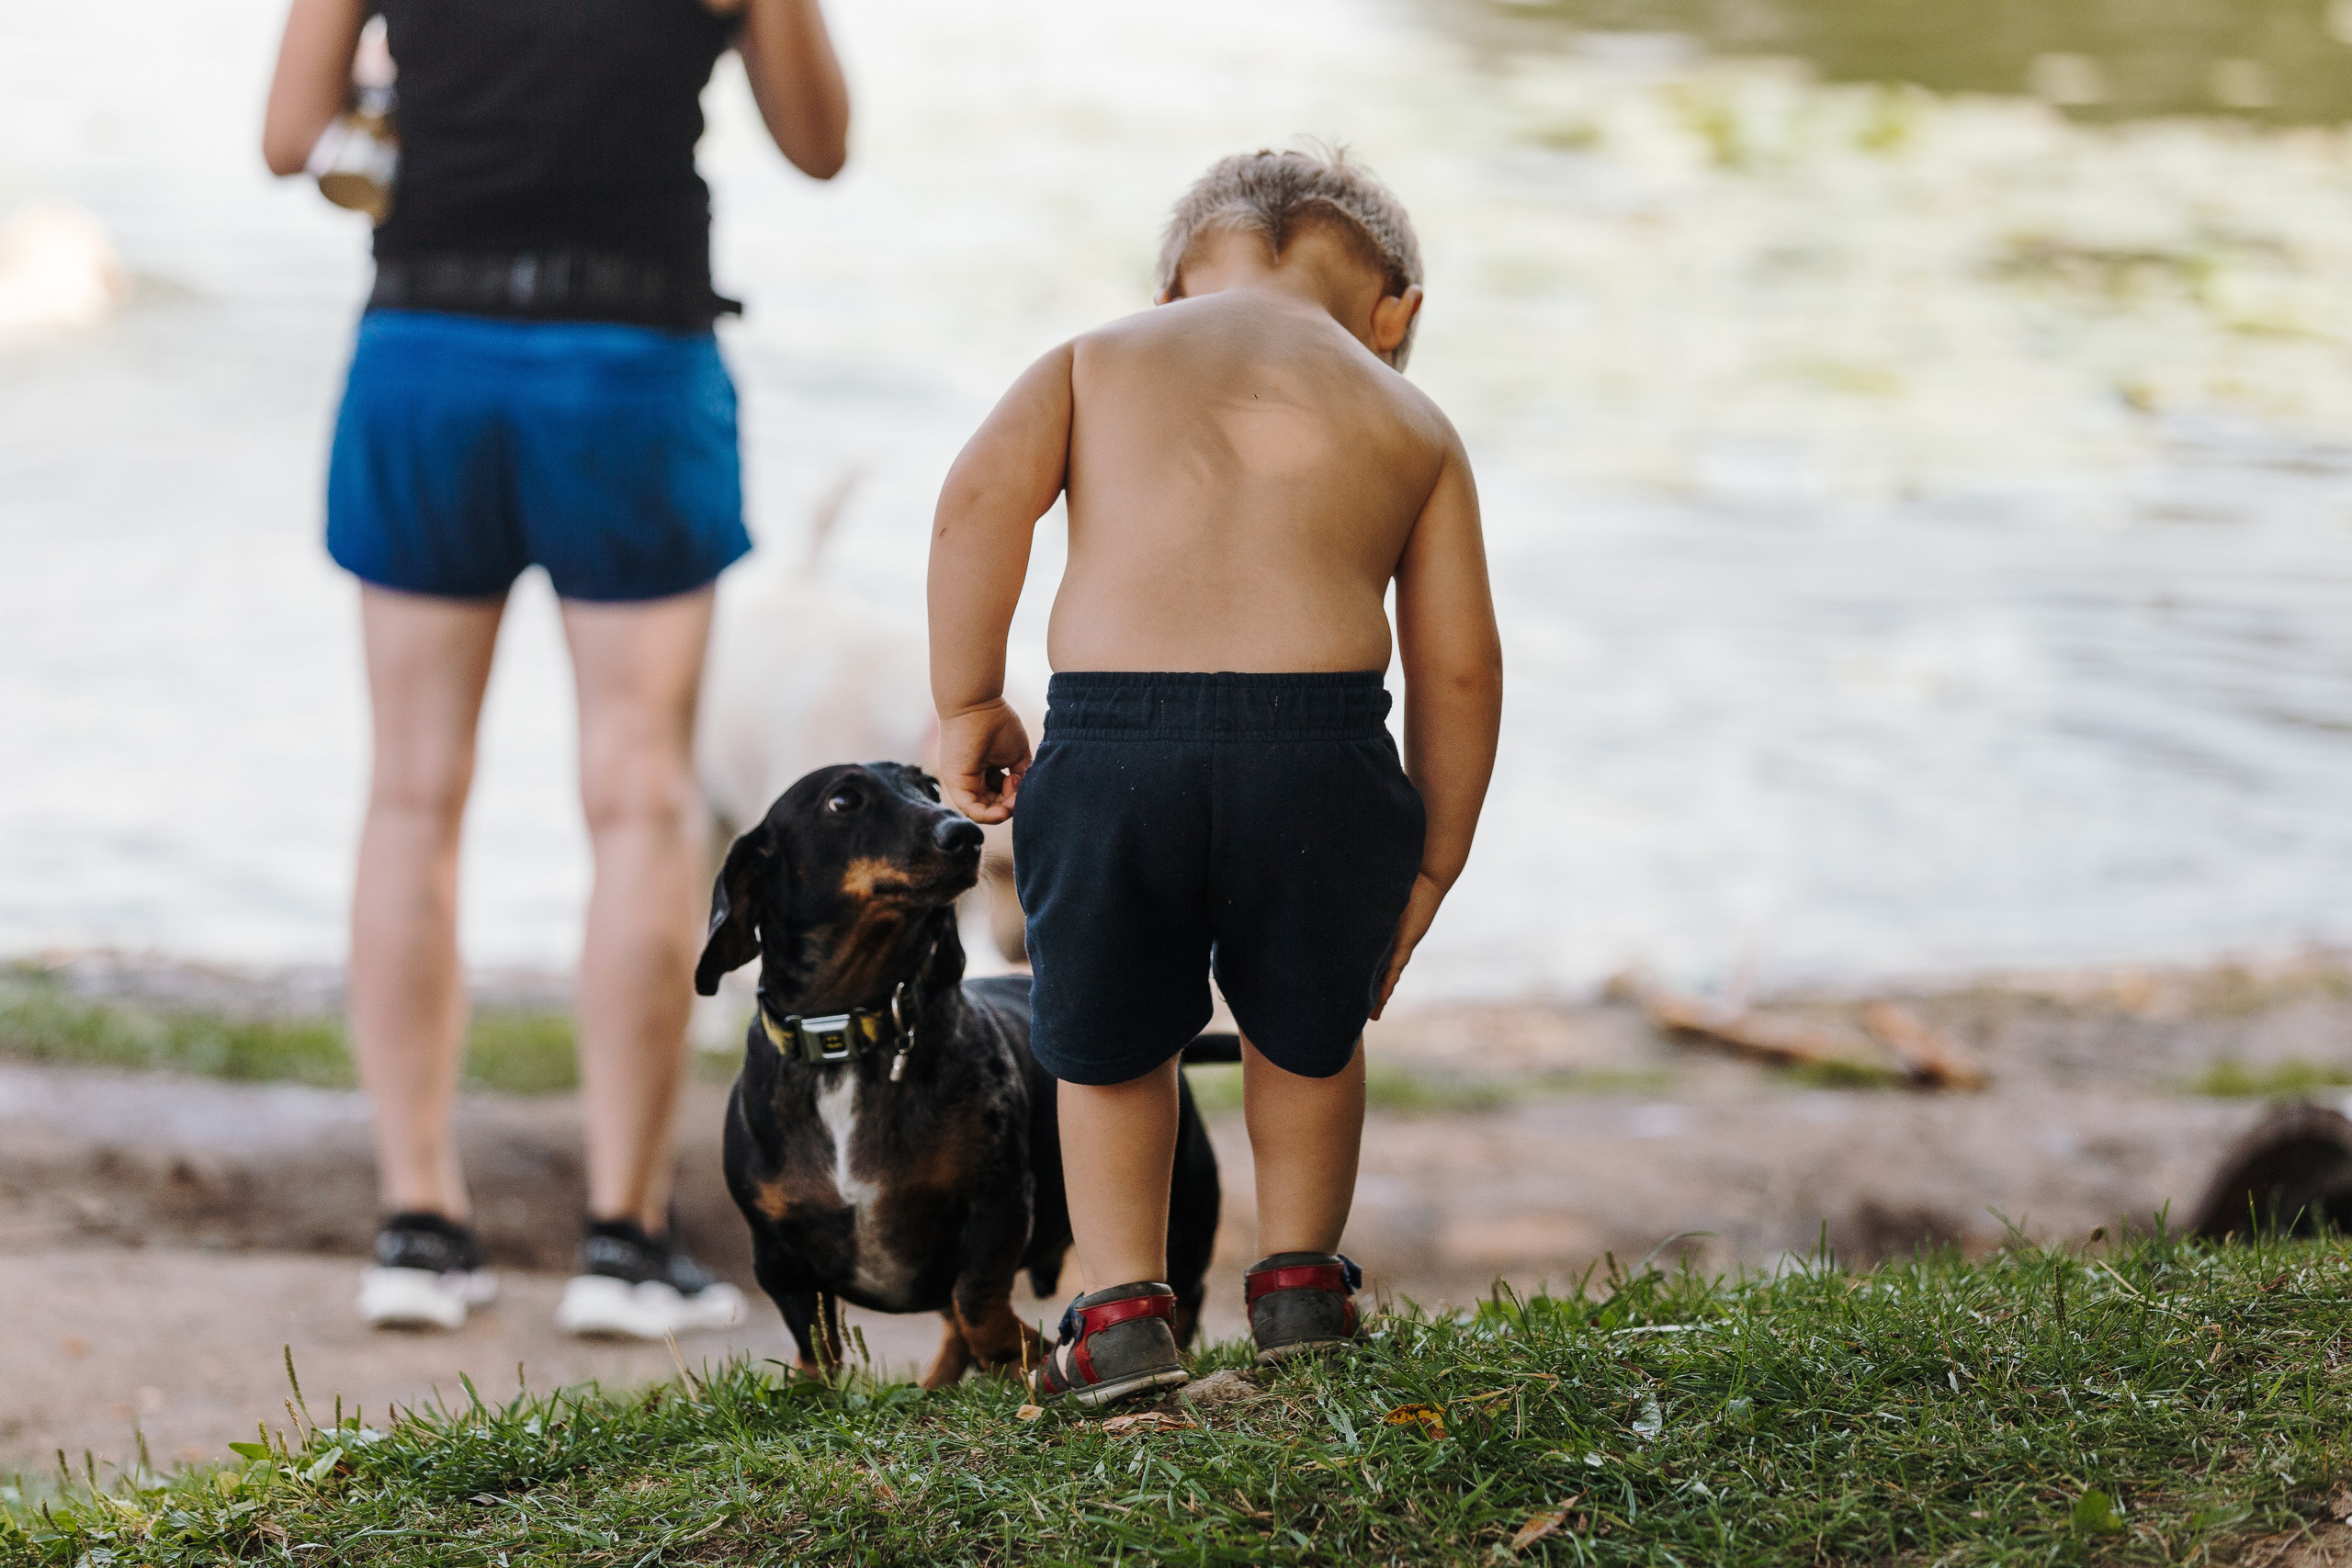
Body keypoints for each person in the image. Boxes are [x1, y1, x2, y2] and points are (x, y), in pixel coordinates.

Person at [260, 0, 850, 1338]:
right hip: (629, 361)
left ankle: (420, 1230)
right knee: (640, 797)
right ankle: (625, 1246)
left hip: (426, 352)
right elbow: (818, 145)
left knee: (411, 792)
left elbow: (291, 139)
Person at [926, 148, 1504, 1404]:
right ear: (1394, 311)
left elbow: (978, 501)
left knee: (1112, 1043)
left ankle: (1123, 1313)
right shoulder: (1409, 419)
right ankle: (1301, 1293)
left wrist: (970, 698)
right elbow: (1460, 672)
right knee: (1306, 1040)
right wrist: (1436, 859)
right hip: (1325, 756)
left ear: (1175, 284)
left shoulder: (1096, 358)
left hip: (1116, 747)